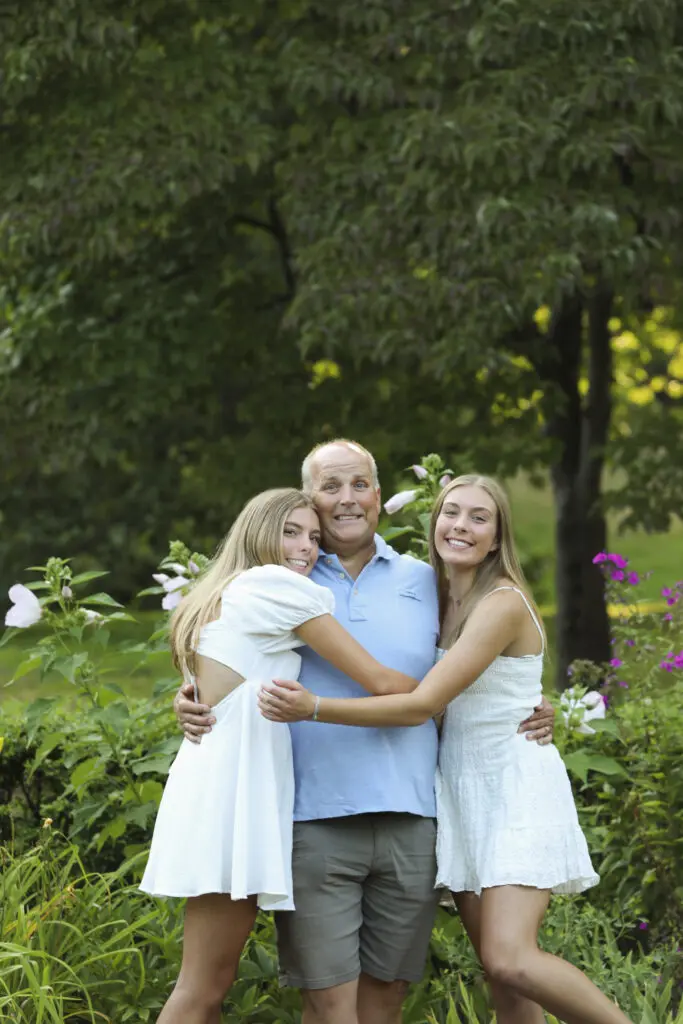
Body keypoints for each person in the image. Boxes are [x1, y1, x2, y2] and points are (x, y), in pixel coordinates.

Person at [175, 441, 555, 1024]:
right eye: (330, 487)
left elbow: (478, 658)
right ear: (310, 498)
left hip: (413, 817)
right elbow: (226, 646)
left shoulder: (426, 580)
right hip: (314, 818)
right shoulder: (290, 574)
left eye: (359, 485)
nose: (347, 499)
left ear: (378, 496)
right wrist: (192, 697)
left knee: (385, 1000)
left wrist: (529, 705)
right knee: (328, 1005)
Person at [260, 474, 634, 1024]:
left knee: (511, 959)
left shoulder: (500, 602)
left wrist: (313, 707)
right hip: (460, 790)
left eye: (479, 518)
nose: (461, 526)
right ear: (433, 522)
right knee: (503, 979)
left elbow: (423, 703)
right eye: (451, 512)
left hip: (512, 784)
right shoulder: (438, 596)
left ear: (497, 536)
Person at [141, 486, 420, 1024]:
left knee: (209, 983)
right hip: (233, 795)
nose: (306, 548)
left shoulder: (230, 591)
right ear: (257, 534)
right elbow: (380, 681)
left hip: (218, 782)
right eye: (290, 533)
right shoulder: (273, 585)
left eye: (313, 537)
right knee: (201, 987)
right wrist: (462, 691)